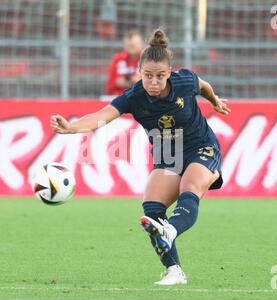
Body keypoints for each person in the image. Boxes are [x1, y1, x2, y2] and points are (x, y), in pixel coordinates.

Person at [51, 29, 230, 285]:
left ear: (170, 73)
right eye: (148, 76)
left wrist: (213, 101)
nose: (154, 82)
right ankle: (174, 271)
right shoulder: (134, 97)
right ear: (139, 72)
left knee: (189, 186)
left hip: (201, 146)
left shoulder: (184, 81)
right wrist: (71, 127)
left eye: (160, 76)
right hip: (168, 157)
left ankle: (171, 229)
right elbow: (102, 116)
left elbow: (203, 86)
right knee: (152, 209)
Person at [105, 30, 144, 96]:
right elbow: (110, 86)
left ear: (141, 44)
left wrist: (141, 81)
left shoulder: (149, 59)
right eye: (129, 46)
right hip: (120, 97)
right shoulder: (117, 59)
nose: (132, 48)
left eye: (134, 45)